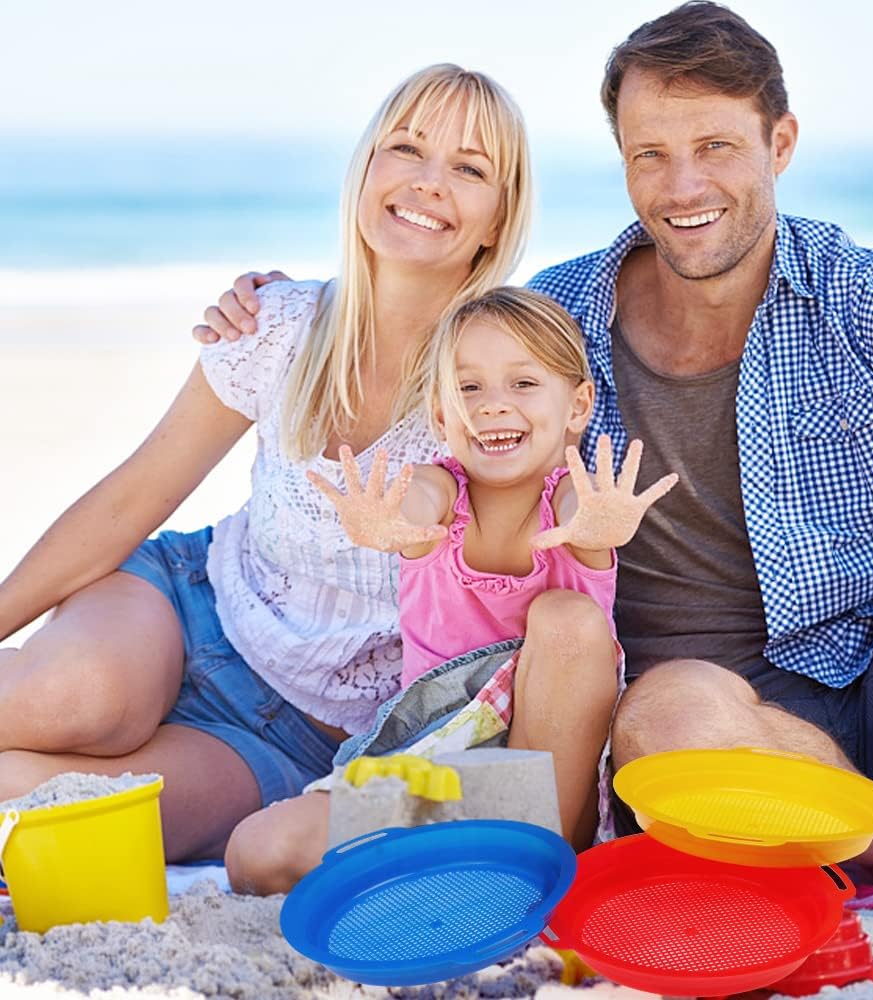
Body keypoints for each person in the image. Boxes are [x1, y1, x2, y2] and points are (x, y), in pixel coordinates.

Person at [198, 3, 873, 881]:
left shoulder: (863, 296)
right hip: (694, 736)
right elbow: (452, 358)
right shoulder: (566, 316)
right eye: (650, 154)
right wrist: (293, 307)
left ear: (780, 145)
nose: (682, 187)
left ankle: (872, 822)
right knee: (666, 710)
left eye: (716, 147)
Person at [0, 64, 536, 863]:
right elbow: (134, 495)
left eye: (469, 168)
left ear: (498, 219)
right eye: (406, 148)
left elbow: (517, 597)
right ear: (367, 170)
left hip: (297, 737)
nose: (428, 182)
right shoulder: (277, 322)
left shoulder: (499, 394)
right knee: (67, 700)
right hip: (186, 606)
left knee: (37, 801)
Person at [223, 286, 677, 892]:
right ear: (441, 418)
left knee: (567, 616)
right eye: (469, 388)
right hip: (446, 775)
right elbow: (416, 503)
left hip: (553, 791)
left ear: (578, 405)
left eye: (523, 383)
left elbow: (582, 512)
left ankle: (534, 864)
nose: (493, 405)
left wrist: (599, 528)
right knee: (259, 850)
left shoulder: (574, 504)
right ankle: (469, 873)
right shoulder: (439, 492)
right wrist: (386, 521)